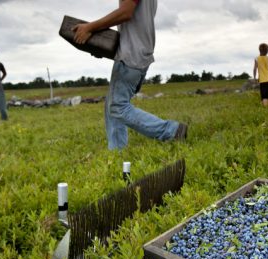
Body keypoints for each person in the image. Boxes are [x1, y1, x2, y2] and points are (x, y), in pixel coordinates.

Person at [72, 0, 187, 150]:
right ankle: (118, 150)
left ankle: (171, 131)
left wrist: (90, 27)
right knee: (112, 104)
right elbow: (135, 23)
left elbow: (126, 13)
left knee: (117, 106)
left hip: (131, 55)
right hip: (139, 52)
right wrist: (101, 45)